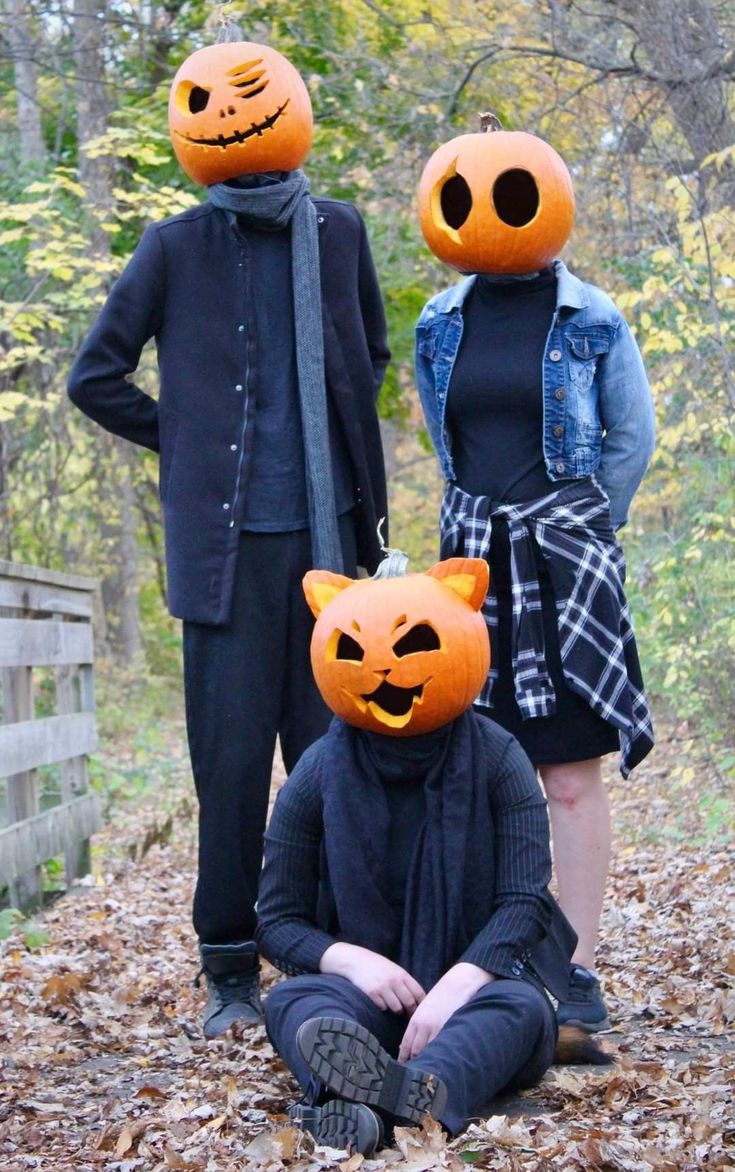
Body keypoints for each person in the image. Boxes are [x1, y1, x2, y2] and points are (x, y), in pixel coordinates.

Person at [67, 38, 389, 1037]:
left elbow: (367, 354)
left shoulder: (337, 233)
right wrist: (190, 439)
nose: (236, 115)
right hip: (226, 559)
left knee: (337, 763)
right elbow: (95, 374)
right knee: (233, 765)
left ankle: (342, 955)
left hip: (331, 554)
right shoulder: (173, 246)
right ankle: (228, 972)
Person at [414, 127, 655, 1032]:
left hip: (565, 563)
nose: (489, 208)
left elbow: (630, 440)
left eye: (510, 193)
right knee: (480, 770)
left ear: (544, 199)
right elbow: (452, 447)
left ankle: (578, 970)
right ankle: (492, 962)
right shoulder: (439, 322)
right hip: (473, 571)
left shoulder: (591, 317)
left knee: (566, 775)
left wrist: (583, 524)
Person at [256, 557, 608, 1157]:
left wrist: (459, 984)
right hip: (363, 1003)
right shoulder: (316, 773)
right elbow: (276, 920)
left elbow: (523, 902)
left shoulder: (500, 759)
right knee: (291, 1000)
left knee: (521, 1009)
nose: (382, 668)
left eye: (413, 643)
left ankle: (379, 1101)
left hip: (472, 996)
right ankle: (405, 1098)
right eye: (355, 650)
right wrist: (351, 963)